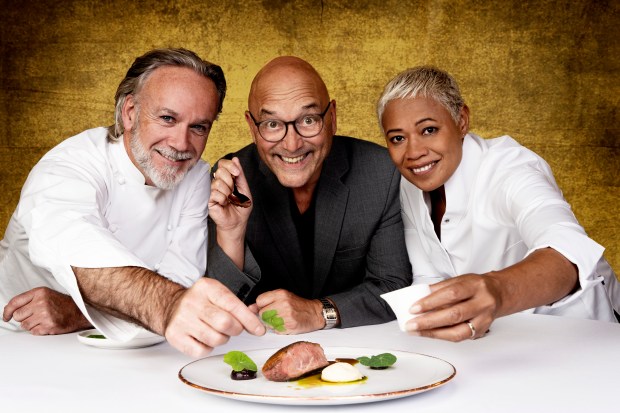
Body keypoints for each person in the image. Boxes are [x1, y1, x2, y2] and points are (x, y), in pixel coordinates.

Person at [0, 48, 265, 356]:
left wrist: (77, 311)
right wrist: (166, 304)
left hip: (131, 345)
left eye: (198, 127)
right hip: (20, 340)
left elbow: (180, 278)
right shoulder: (69, 166)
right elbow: (78, 248)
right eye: (167, 118)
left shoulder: (195, 176)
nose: (181, 144)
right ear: (129, 112)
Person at [376, 66, 620, 341]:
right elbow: (429, 277)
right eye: (398, 138)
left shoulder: (511, 168)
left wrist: (496, 289)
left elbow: (567, 250)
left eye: (429, 130)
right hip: (497, 347)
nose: (414, 152)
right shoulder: (408, 184)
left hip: (586, 338)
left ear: (462, 121)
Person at [208, 56, 412, 334]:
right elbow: (218, 309)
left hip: (362, 345)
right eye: (272, 124)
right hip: (260, 349)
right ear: (252, 127)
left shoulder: (381, 173)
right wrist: (231, 232)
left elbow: (392, 287)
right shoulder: (233, 181)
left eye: (308, 119)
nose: (292, 144)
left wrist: (319, 312)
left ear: (332, 118)